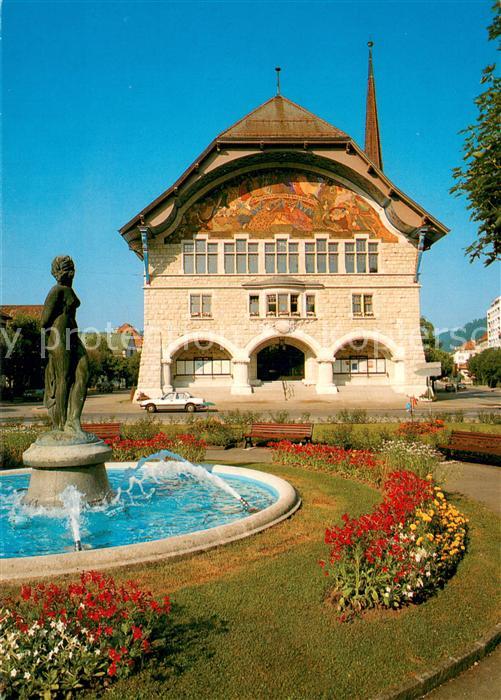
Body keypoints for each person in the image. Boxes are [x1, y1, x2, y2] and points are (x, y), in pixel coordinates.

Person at [41, 255, 89, 436]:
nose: (68, 272)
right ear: (57, 272)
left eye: (70, 268)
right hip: (59, 336)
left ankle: (73, 420)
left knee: (84, 373)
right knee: (64, 379)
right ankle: (60, 426)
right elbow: (44, 320)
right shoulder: (57, 291)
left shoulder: (68, 290)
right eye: (63, 269)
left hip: (72, 334)